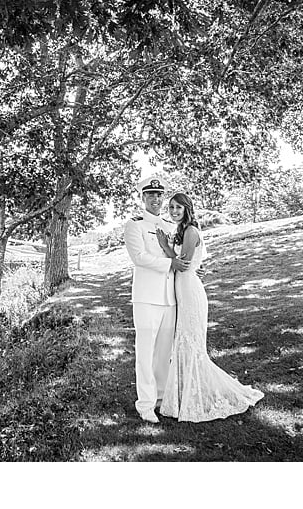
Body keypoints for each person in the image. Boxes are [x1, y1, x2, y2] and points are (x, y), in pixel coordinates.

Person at [155, 192, 264, 422]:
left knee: (191, 343)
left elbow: (183, 266)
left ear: (187, 209)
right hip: (182, 291)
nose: (174, 211)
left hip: (190, 292)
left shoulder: (191, 231)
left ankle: (198, 395)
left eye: (178, 208)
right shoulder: (181, 231)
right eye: (171, 207)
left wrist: (164, 246)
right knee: (184, 343)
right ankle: (186, 392)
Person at [123, 176, 190, 423]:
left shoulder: (170, 225)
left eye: (159, 194)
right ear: (142, 198)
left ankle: (161, 399)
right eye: (150, 194)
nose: (155, 199)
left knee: (164, 352)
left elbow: (180, 255)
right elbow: (139, 257)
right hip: (146, 298)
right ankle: (146, 405)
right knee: (145, 352)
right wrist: (169, 263)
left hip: (169, 298)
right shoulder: (135, 225)